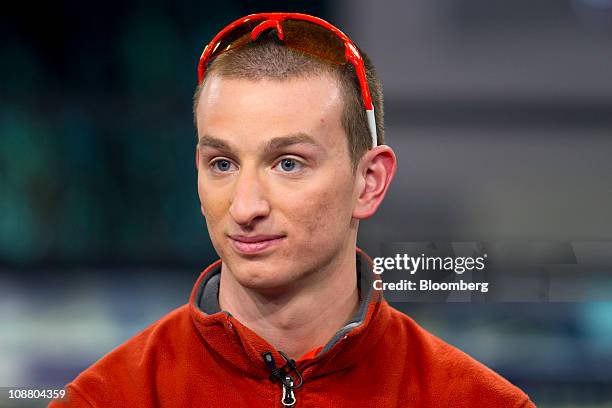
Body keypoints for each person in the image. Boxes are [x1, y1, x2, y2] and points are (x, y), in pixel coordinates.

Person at [51, 13, 535, 407]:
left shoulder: (477, 402)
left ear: (369, 182)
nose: (245, 207)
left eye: (287, 163)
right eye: (222, 163)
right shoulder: (105, 399)